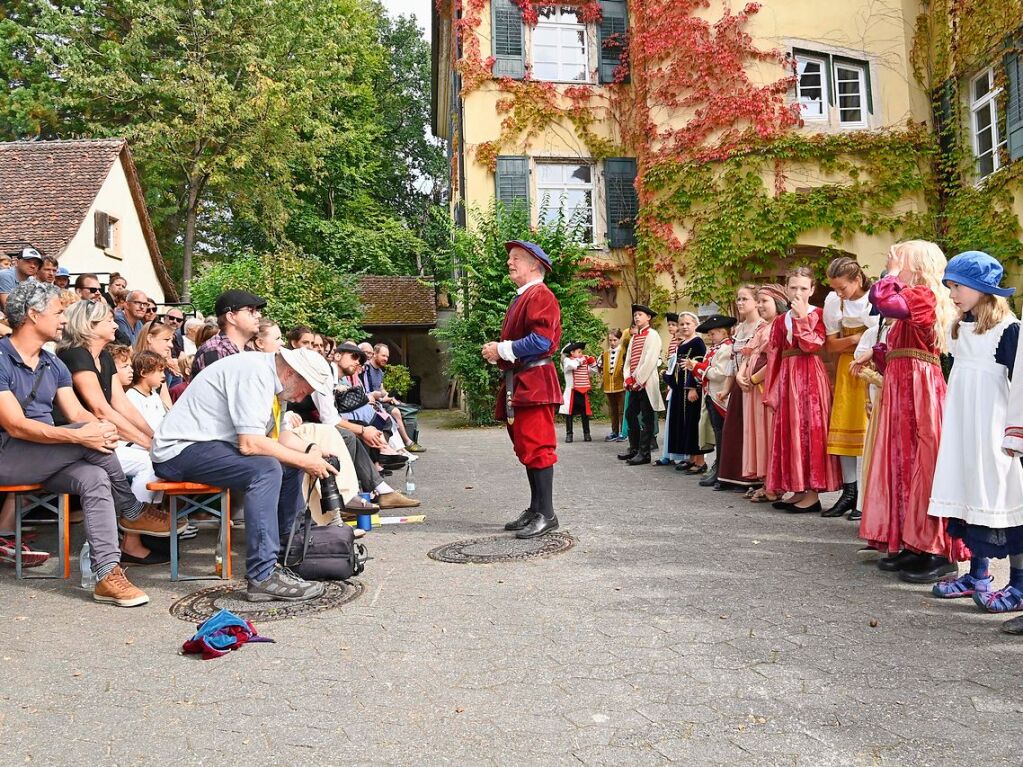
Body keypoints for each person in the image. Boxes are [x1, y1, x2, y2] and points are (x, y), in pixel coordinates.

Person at [0, 281, 150, 606]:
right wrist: (82, 434)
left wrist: (102, 428)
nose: (64, 320)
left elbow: (77, 412)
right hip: (8, 455)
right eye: (57, 312)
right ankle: (132, 509)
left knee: (94, 477)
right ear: (31, 314)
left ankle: (108, 574)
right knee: (87, 440)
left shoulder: (53, 363)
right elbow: (15, 424)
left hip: (45, 457)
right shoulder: (0, 358)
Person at [152, 347, 339, 602]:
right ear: (292, 373)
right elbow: (250, 443)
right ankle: (263, 575)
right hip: (178, 450)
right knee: (267, 469)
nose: (303, 398)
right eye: (307, 389)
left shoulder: (275, 381)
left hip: (207, 445)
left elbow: (279, 437)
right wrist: (304, 460)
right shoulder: (255, 374)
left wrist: (310, 451)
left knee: (288, 463)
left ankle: (288, 552)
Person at [860, 241, 964, 583]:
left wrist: (890, 274)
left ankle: (937, 549)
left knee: (925, 463)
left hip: (920, 390)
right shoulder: (915, 298)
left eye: (898, 261)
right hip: (903, 388)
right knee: (903, 462)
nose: (893, 267)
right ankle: (913, 542)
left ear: (915, 266)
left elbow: (883, 300)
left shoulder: (923, 295)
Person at [927, 251, 1023, 612]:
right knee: (969, 496)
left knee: (1003, 503)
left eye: (958, 287)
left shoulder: (1009, 331)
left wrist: (1014, 435)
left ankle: (1019, 585)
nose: (952, 294)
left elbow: (1020, 385)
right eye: (950, 286)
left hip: (993, 432)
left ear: (984, 290)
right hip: (964, 430)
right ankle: (977, 575)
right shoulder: (960, 329)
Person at [54, 301, 177, 564]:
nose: (114, 324)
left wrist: (153, 437)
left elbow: (121, 405)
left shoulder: (105, 356)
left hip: (103, 438)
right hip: (74, 440)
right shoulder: (75, 355)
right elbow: (100, 408)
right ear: (90, 326)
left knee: (155, 458)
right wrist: (147, 443)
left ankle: (136, 529)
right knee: (152, 462)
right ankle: (132, 533)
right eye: (108, 320)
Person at [482, 240, 562, 538]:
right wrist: (500, 352)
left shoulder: (540, 295)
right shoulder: (525, 296)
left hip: (535, 382)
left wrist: (501, 349)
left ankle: (547, 513)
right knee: (528, 448)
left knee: (538, 447)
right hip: (525, 382)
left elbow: (541, 341)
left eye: (517, 258)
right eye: (511, 258)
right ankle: (536, 508)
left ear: (534, 265)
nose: (509, 263)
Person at [763, 267, 841, 513]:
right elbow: (774, 355)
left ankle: (812, 492)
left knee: (809, 430)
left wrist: (800, 319)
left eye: (804, 288)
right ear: (786, 288)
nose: (798, 292)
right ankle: (797, 487)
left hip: (809, 378)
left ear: (812, 290)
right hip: (787, 376)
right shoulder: (779, 320)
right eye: (793, 287)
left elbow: (811, 345)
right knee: (790, 430)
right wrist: (772, 388)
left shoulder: (817, 314)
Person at [821, 257, 877, 518]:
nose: (837, 293)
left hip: (870, 368)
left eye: (842, 287)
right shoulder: (834, 303)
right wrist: (861, 337)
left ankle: (865, 496)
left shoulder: (874, 298)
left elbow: (879, 339)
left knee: (868, 430)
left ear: (857, 280)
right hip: (847, 367)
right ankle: (849, 490)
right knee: (844, 429)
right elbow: (830, 345)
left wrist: (852, 339)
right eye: (835, 288)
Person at [717, 287, 765, 492]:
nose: (740, 302)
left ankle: (752, 479)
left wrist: (744, 377)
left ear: (756, 302)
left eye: (745, 299)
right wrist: (726, 389)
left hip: (753, 384)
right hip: (738, 383)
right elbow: (732, 362)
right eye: (738, 299)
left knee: (751, 431)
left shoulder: (762, 327)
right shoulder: (738, 329)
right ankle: (730, 476)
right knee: (733, 429)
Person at [744, 285, 788, 503]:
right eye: (758, 301)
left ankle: (774, 485)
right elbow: (750, 354)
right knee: (758, 435)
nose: (760, 305)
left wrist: (753, 378)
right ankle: (765, 481)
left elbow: (774, 360)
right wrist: (742, 375)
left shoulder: (777, 327)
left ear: (777, 303)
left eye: (765, 301)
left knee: (769, 435)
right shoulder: (762, 327)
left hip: (766, 386)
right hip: (754, 387)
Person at [689, 314, 736, 488]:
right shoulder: (715, 348)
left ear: (723, 332)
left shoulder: (726, 348)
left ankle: (722, 469)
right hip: (711, 394)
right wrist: (697, 369)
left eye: (713, 334)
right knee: (717, 432)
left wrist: (697, 367)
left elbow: (719, 373)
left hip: (721, 396)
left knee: (722, 433)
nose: (710, 337)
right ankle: (719, 466)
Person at [619, 304, 664, 466]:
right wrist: (628, 378)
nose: (637, 317)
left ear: (648, 317)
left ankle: (644, 453)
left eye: (640, 315)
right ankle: (634, 448)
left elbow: (650, 360)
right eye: (635, 315)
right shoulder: (634, 337)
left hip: (646, 383)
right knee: (630, 414)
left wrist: (638, 380)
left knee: (646, 417)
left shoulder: (652, 335)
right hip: (634, 383)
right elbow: (629, 361)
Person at [664, 312, 709, 472]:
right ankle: (690, 458)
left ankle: (700, 461)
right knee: (684, 423)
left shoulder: (698, 343)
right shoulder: (682, 344)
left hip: (690, 391)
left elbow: (697, 366)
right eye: (681, 324)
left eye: (688, 324)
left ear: (695, 325)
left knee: (693, 423)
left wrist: (692, 388)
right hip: (680, 391)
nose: (684, 326)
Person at [191, 290, 265, 377]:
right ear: (231, 317)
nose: (259, 315)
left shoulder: (248, 352)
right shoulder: (214, 351)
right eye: (251, 311)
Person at [558, 342, 596, 443]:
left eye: (581, 352)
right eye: (579, 352)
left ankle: (587, 434)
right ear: (572, 352)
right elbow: (572, 365)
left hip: (582, 392)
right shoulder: (567, 361)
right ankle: (569, 434)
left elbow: (593, 371)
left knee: (585, 413)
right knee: (569, 414)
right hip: (572, 392)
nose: (581, 354)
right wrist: (581, 360)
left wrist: (592, 363)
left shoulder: (582, 362)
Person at [599, 329, 626, 441]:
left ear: (619, 340)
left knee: (622, 410)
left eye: (615, 340)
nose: (612, 342)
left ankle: (623, 432)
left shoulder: (624, 353)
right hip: (609, 386)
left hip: (621, 385)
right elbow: (600, 368)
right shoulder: (605, 354)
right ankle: (614, 431)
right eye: (610, 340)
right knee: (613, 410)